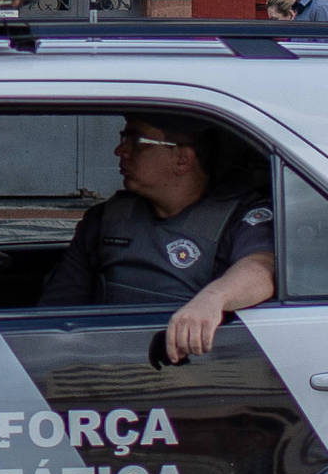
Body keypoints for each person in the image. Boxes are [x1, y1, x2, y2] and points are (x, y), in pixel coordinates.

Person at [40, 112, 275, 361]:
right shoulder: (107, 219)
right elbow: (56, 311)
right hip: (104, 363)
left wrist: (213, 300)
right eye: (123, 139)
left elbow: (262, 266)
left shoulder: (240, 218)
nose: (120, 151)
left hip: (190, 367)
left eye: (137, 142)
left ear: (182, 160)